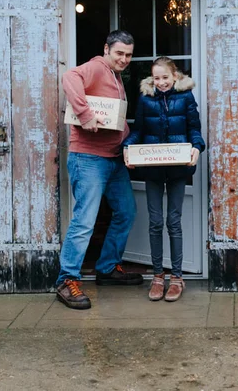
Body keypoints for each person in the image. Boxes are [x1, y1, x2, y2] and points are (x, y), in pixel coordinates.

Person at [56, 30, 143, 310]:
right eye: (119, 53)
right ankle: (66, 280)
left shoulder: (117, 77)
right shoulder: (96, 67)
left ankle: (106, 268)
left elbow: (115, 118)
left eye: (129, 55)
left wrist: (130, 145)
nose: (124, 59)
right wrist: (84, 114)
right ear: (107, 49)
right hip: (89, 158)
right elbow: (69, 78)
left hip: (114, 158)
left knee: (126, 211)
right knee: (84, 222)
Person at [123, 57, 205, 302]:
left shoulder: (186, 98)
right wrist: (128, 147)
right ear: (152, 79)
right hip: (153, 170)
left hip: (178, 169)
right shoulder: (145, 99)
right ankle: (158, 276)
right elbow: (138, 130)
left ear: (175, 76)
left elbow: (195, 130)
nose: (161, 83)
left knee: (174, 221)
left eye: (165, 78)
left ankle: (177, 278)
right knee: (155, 222)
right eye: (156, 78)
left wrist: (196, 149)